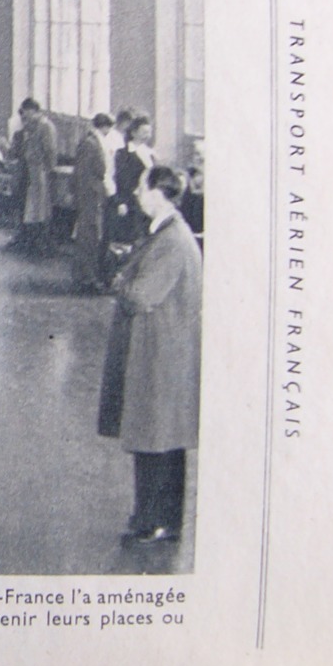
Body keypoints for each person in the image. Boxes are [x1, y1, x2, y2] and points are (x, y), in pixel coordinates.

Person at [97, 166, 202, 544]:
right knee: (166, 441)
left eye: (142, 187)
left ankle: (152, 522)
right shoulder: (168, 233)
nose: (138, 194)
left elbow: (142, 296)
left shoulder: (172, 241)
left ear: (159, 193)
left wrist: (120, 280)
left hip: (158, 356)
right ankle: (163, 521)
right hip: (164, 352)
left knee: (154, 438)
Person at [10, 97, 59, 256]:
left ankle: (42, 245)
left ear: (34, 110)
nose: (25, 117)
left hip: (40, 171)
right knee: (30, 208)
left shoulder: (45, 127)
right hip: (30, 170)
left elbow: (50, 151)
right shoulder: (31, 126)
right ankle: (29, 241)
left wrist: (48, 170)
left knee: (40, 209)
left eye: (27, 113)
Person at [72, 114, 116, 291]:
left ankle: (86, 275)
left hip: (93, 194)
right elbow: (85, 172)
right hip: (89, 195)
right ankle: (86, 277)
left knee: (90, 236)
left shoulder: (93, 141)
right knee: (88, 237)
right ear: (104, 127)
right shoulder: (91, 143)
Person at [107, 116, 158, 246]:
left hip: (145, 203)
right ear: (133, 132)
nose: (147, 135)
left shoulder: (150, 153)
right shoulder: (123, 154)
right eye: (143, 132)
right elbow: (119, 180)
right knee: (127, 240)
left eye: (149, 132)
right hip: (128, 203)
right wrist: (120, 202)